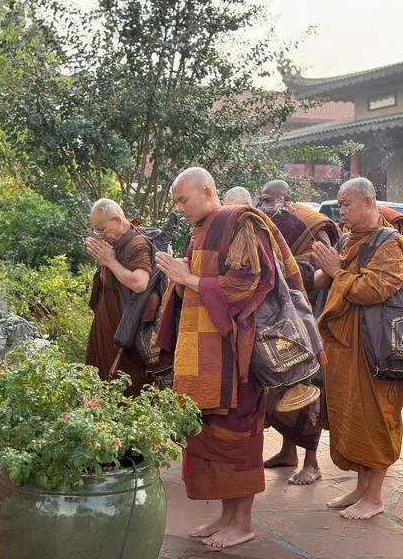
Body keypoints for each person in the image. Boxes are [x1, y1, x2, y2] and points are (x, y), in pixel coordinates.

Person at [153, 167, 304, 549]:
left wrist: (188, 279)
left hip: (235, 356)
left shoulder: (239, 222)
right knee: (208, 435)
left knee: (238, 437)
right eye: (175, 201)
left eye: (183, 199)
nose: (179, 208)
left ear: (207, 191)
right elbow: (196, 285)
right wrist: (180, 280)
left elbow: (247, 284)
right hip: (204, 358)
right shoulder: (202, 229)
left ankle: (243, 522)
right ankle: (226, 516)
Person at [309, 177, 403, 520]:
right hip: (346, 348)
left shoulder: (390, 243)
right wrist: (325, 271)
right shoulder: (348, 239)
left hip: (375, 349)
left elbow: (375, 289)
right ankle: (361, 488)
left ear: (368, 202)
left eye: (346, 204)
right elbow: (325, 281)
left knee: (376, 417)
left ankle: (375, 497)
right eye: (339, 205)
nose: (342, 212)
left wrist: (337, 271)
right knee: (351, 415)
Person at [254, 179, 339, 485]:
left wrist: (291, 271)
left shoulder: (311, 226)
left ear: (286, 200)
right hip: (279, 312)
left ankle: (312, 463)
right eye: (262, 199)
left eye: (269, 199)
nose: (264, 205)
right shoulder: (270, 225)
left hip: (307, 313)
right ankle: (287, 452)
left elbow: (321, 269)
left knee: (306, 387)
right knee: (281, 385)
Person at [84, 198, 156, 396]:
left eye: (102, 229)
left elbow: (139, 282)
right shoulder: (115, 243)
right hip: (107, 326)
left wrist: (110, 261)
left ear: (116, 220)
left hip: (125, 332)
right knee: (101, 384)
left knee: (126, 387)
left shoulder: (137, 243)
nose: (100, 235)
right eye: (97, 231)